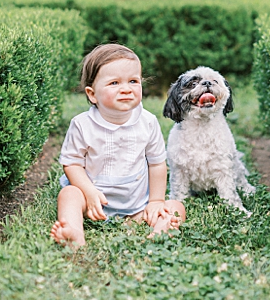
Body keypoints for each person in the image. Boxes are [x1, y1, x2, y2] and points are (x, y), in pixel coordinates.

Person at [51, 44, 186, 248]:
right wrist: (88, 192)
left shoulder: (148, 122)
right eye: (114, 83)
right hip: (93, 204)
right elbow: (72, 164)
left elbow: (157, 163)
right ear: (92, 94)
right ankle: (74, 231)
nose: (126, 88)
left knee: (175, 206)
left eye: (133, 81)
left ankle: (162, 229)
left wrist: (156, 201)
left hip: (138, 206)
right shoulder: (82, 125)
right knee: (69, 194)